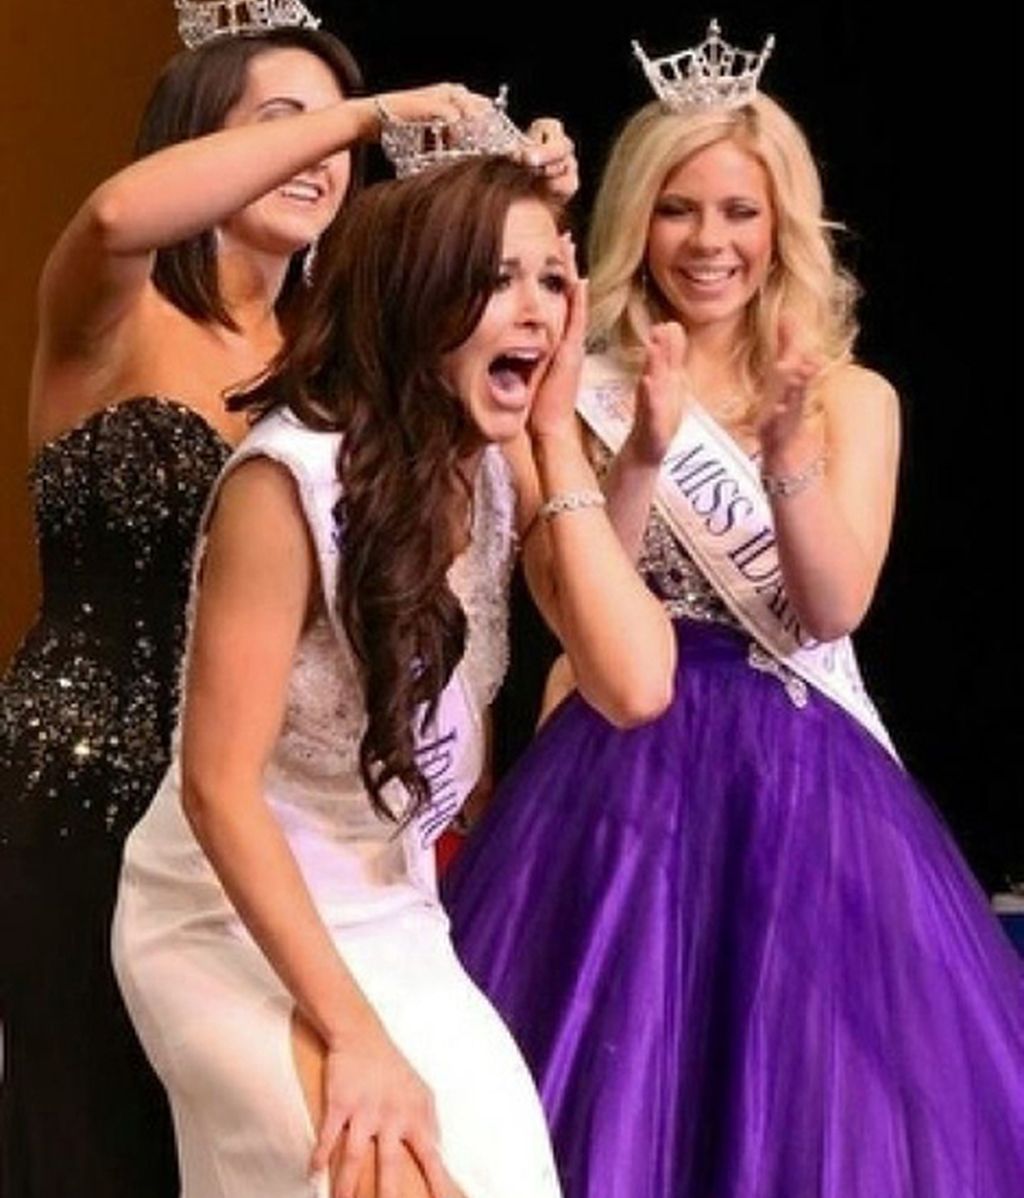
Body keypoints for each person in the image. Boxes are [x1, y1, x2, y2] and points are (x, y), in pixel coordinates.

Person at [443, 27, 1024, 1198]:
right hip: (616, 777)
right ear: (633, 222)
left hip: (805, 783)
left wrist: (783, 459)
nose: (709, 242)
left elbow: (829, 606)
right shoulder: (571, 384)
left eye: (738, 212)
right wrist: (647, 451)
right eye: (677, 209)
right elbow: (574, 607)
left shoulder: (849, 393)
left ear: (781, 227)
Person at [0, 13, 569, 1192]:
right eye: (281, 122)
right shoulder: (111, 312)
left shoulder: (336, 354)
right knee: (93, 1137)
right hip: (88, 775)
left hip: (282, 810)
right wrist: (364, 110)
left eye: (332, 135)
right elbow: (114, 214)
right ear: (194, 138)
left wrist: (510, 189)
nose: (319, 155)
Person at [113, 154, 676, 1198]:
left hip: (393, 915)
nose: (538, 312)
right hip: (224, 914)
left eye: (552, 281)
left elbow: (635, 683)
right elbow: (216, 788)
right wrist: (356, 1037)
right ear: (420, 296)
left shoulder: (500, 464)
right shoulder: (288, 483)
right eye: (498, 277)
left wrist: (556, 437)